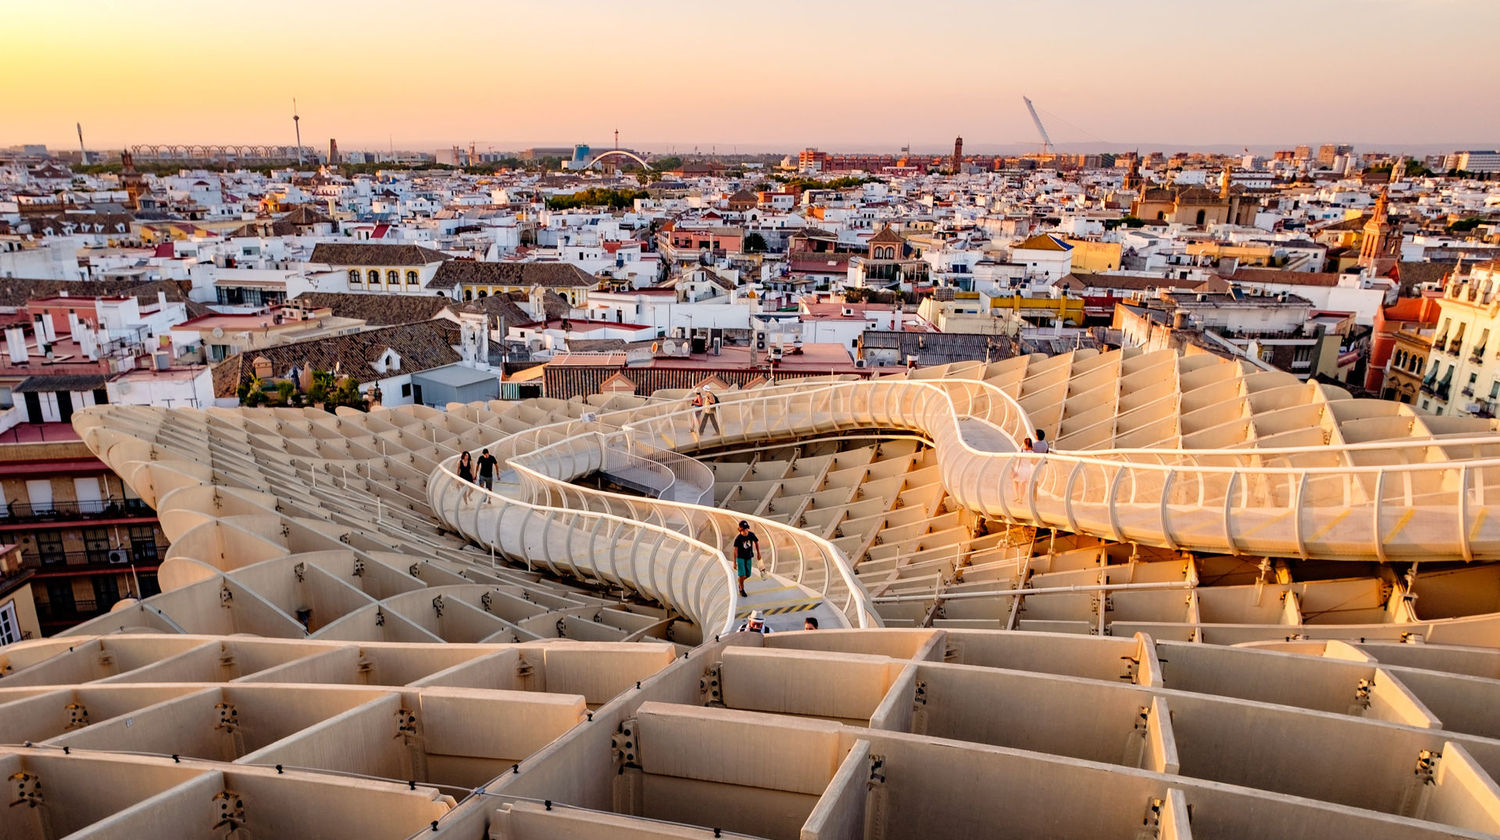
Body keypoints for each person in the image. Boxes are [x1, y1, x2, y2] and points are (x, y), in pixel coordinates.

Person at [731, 519, 760, 598]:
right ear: (740, 530)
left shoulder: (751, 535)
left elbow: (756, 542)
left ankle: (740, 581)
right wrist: (734, 562)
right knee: (742, 574)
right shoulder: (738, 539)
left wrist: (758, 553)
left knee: (748, 574)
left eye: (747, 528)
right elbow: (735, 551)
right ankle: (741, 589)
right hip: (740, 558)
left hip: (748, 556)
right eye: (744, 529)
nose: (746, 530)